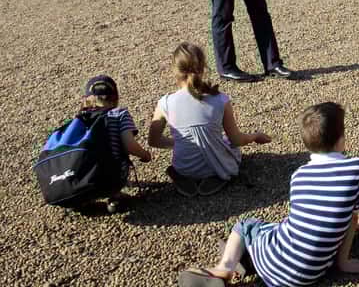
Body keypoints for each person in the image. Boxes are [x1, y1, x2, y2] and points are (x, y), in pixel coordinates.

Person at [178, 102, 359, 287]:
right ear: (341, 139)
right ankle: (246, 258)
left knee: (246, 225)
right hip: (311, 275)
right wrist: (344, 262)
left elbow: (308, 216)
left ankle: (226, 266)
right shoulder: (357, 167)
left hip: (274, 265)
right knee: (265, 229)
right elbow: (350, 216)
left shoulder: (299, 175)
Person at [149, 43, 272, 197]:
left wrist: (183, 141)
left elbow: (153, 141)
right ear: (203, 67)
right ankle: (218, 175)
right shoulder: (220, 100)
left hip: (184, 167)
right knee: (228, 145)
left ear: (175, 70)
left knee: (186, 160)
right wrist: (255, 136)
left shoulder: (165, 103)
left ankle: (184, 177)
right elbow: (237, 140)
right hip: (217, 165)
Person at [80, 75, 152, 211]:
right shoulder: (119, 113)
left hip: (83, 175)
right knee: (116, 158)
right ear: (115, 97)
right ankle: (115, 196)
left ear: (86, 99)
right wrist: (145, 155)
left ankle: (81, 198)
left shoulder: (81, 118)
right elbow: (129, 145)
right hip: (111, 174)